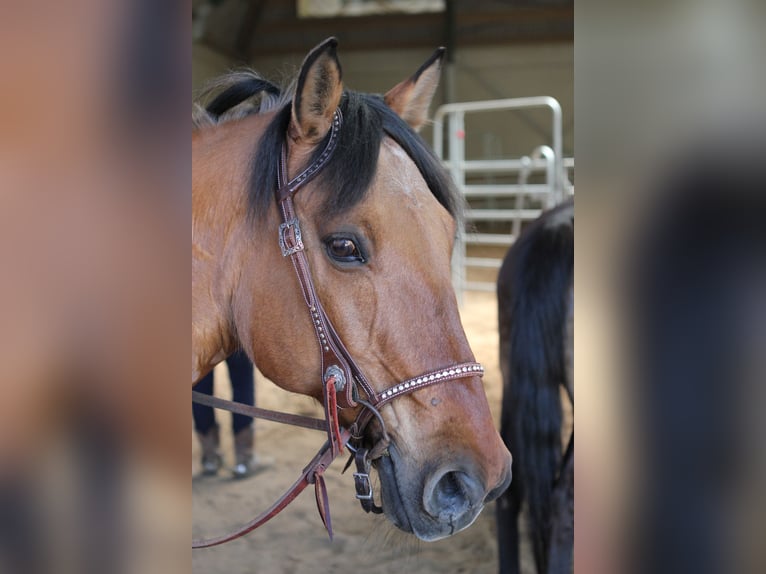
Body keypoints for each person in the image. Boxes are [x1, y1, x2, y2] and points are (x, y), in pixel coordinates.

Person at [193, 351, 260, 479]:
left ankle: (210, 459)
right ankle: (243, 460)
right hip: (233, 332)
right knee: (242, 382)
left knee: (200, 384)